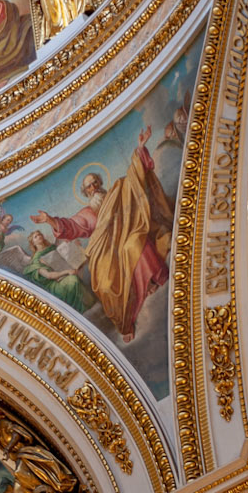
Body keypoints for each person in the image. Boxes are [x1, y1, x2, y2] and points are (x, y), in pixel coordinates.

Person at [30, 129, 173, 341]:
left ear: (101, 183)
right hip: (104, 253)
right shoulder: (86, 213)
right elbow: (71, 227)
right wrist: (50, 220)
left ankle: (154, 280)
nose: (93, 188)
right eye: (89, 187)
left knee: (134, 244)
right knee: (105, 285)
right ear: (85, 193)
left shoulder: (116, 191)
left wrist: (140, 148)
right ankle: (126, 319)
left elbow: (134, 180)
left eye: (95, 183)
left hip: (127, 233)